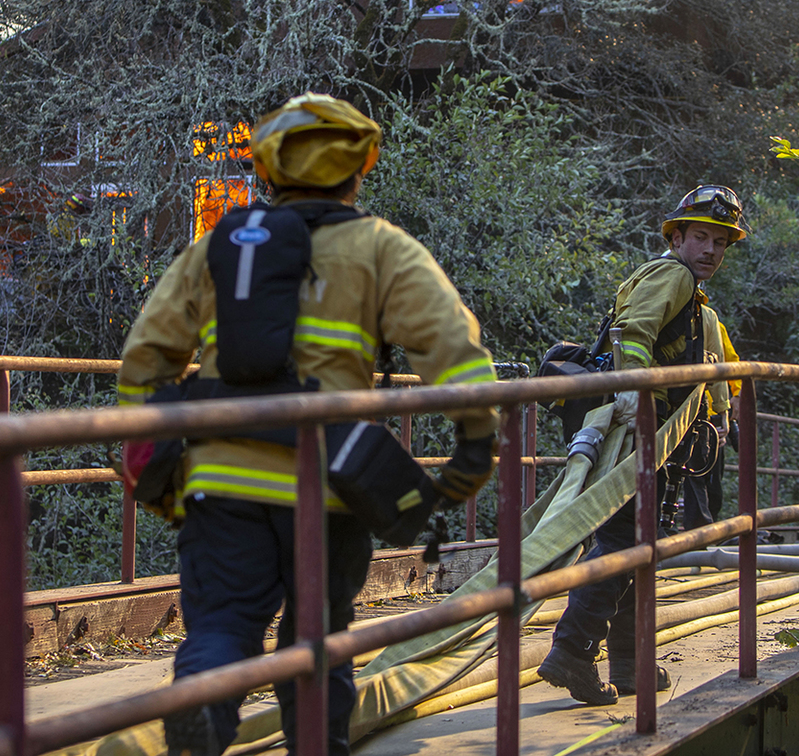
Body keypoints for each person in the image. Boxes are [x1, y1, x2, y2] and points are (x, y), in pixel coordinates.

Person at [114, 94, 501, 756]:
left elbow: (144, 359)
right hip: (327, 485)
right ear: (361, 169)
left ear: (267, 171)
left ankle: (203, 704)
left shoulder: (217, 248)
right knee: (319, 636)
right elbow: (448, 343)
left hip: (219, 482)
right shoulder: (381, 248)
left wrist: (154, 467)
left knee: (224, 624)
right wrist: (475, 444)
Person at [538, 185, 745, 706]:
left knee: (639, 548)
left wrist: (720, 422)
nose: (711, 251)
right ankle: (572, 653)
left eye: (721, 242)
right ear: (675, 237)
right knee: (625, 543)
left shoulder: (696, 301)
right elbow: (633, 333)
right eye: (700, 237)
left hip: (655, 439)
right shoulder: (671, 274)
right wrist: (635, 397)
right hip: (634, 435)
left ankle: (629, 663)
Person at [681, 320, 738, 531]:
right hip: (685, 411)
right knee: (692, 475)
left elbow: (728, 362)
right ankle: (698, 533)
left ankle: (707, 528)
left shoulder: (710, 321)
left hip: (710, 412)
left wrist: (736, 397)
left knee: (713, 480)